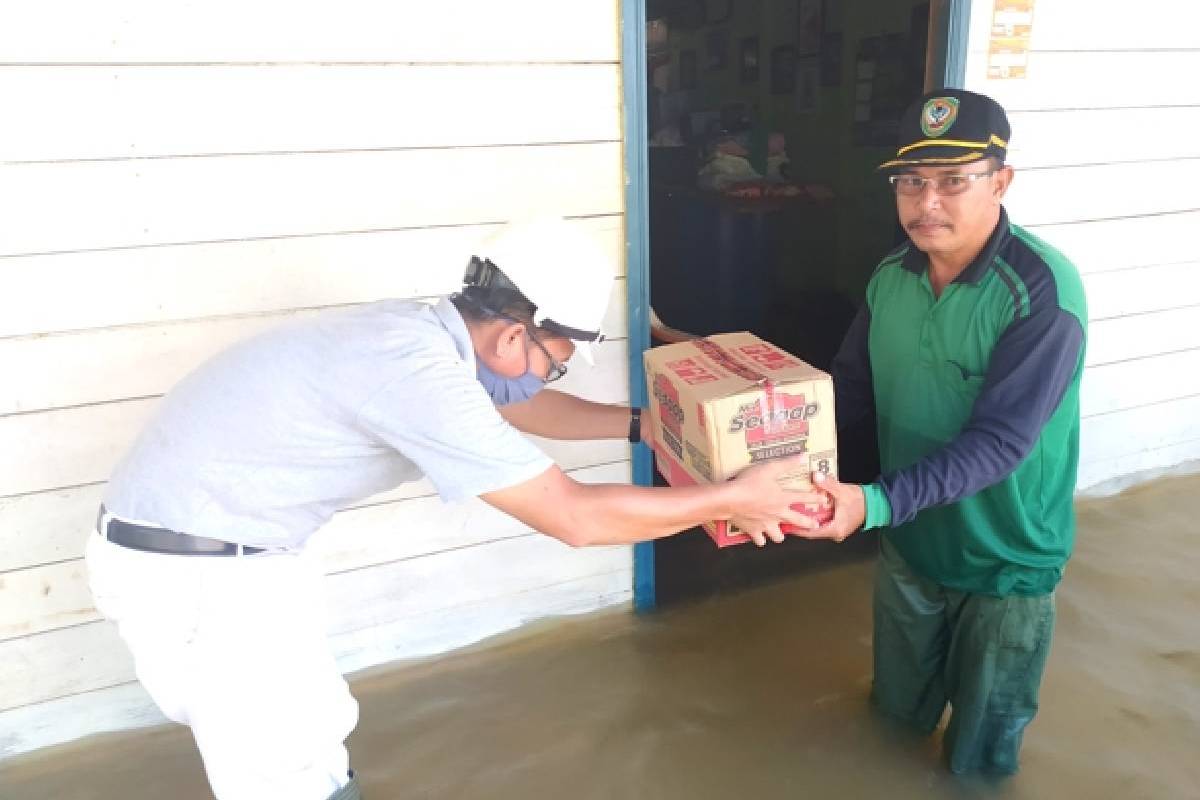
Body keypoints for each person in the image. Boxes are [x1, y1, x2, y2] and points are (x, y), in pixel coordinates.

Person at [85, 217, 821, 800]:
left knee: (311, 733)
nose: (548, 375)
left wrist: (644, 424)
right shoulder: (415, 373)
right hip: (199, 575)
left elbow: (520, 409)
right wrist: (728, 499)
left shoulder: (418, 337)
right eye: (554, 358)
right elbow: (575, 517)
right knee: (280, 771)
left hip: (219, 554)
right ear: (510, 332)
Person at [805, 90, 1087, 774]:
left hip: (1005, 562)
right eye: (911, 181)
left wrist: (869, 503)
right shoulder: (889, 276)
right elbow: (850, 391)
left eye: (952, 181)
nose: (926, 202)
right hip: (911, 546)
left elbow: (1000, 443)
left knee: (980, 760)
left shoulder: (1041, 292)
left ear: (1001, 180)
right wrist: (773, 452)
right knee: (892, 723)